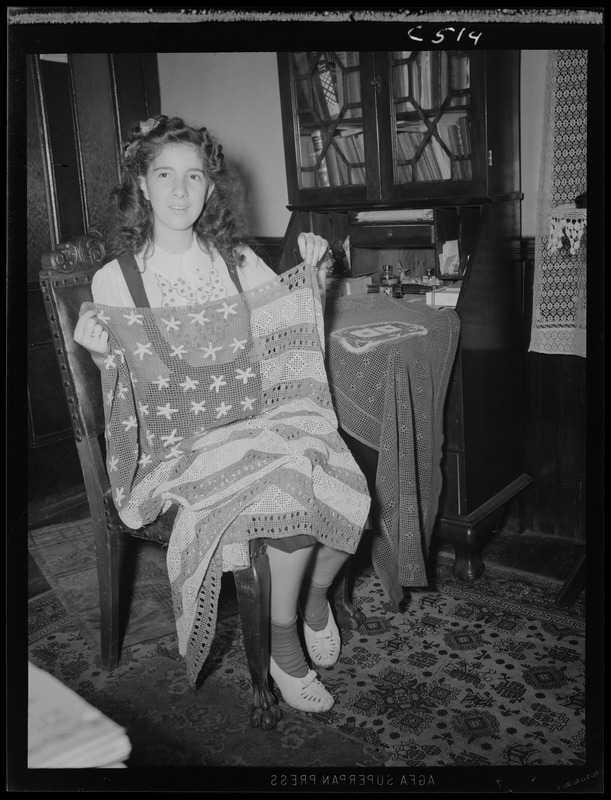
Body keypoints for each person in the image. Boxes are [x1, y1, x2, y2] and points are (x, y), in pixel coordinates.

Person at [74, 115, 369, 714]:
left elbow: (286, 322)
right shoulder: (116, 278)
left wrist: (313, 274)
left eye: (193, 177)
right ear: (141, 184)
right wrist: (104, 353)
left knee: (344, 471)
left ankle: (315, 595)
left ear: (210, 187)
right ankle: (286, 643)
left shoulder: (234, 259)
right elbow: (130, 392)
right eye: (164, 175)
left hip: (255, 420)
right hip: (178, 446)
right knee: (291, 479)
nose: (180, 191)